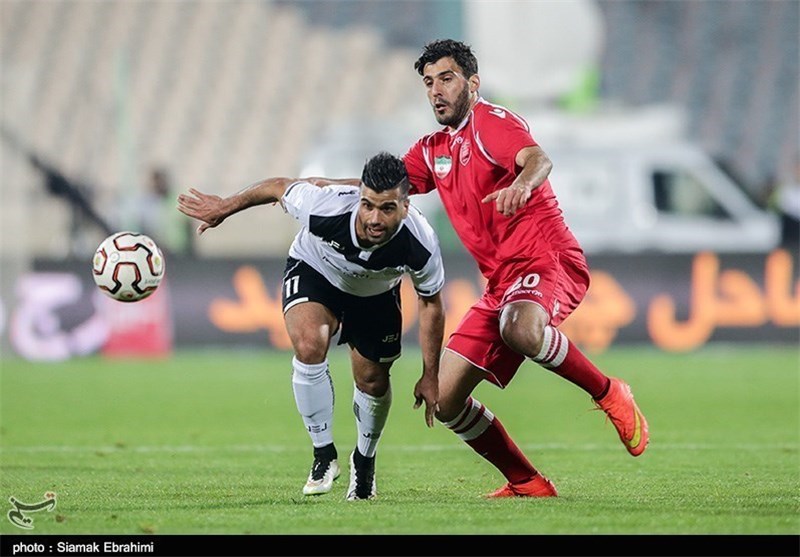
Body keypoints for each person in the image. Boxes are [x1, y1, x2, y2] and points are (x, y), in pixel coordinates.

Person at [400, 39, 649, 497]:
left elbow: (538, 158)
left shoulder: (492, 122)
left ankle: (609, 390)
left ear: (473, 84)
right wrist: (307, 191)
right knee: (446, 397)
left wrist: (522, 184)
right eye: (428, 82)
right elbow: (382, 187)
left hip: (547, 258)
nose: (436, 90)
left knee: (520, 327)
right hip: (501, 285)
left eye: (447, 78)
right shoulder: (432, 148)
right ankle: (527, 481)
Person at [176, 152, 445, 500]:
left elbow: (431, 303)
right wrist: (223, 208)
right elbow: (277, 187)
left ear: (406, 207)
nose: (374, 218)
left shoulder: (420, 242)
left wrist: (430, 374)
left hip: (375, 293)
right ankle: (323, 455)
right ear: (359, 196)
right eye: (368, 205)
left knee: (373, 380)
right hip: (316, 270)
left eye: (387, 209)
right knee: (308, 344)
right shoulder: (326, 207)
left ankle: (364, 460)